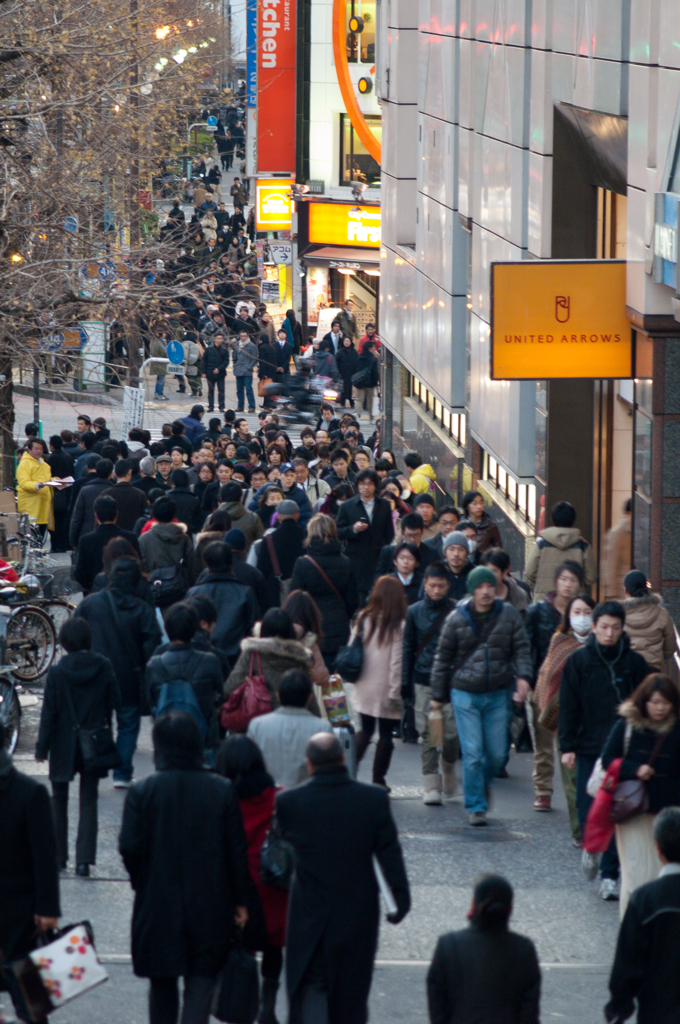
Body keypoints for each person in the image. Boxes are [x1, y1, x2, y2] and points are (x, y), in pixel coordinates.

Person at [119, 712, 250, 1024]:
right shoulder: (221, 790)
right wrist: (241, 900)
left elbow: (129, 847)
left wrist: (142, 879)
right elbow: (236, 852)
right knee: (201, 981)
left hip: (158, 899)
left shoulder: (143, 792)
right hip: (210, 901)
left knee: (161, 983)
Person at [276, 732, 410, 1024]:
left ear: (309, 764)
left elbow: (278, 856)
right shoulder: (372, 799)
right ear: (342, 759)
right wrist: (400, 900)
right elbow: (390, 854)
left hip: (309, 914)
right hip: (357, 915)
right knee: (351, 997)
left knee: (311, 987)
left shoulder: (289, 802)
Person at [559, 600, 650, 900]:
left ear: (623, 628)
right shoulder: (578, 661)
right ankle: (591, 845)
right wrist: (567, 745)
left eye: (615, 627)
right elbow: (568, 706)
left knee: (616, 811)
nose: (609, 633)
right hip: (588, 747)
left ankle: (610, 875)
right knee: (589, 810)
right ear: (595, 627)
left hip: (623, 750)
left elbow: (644, 706)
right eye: (604, 627)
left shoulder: (634, 663)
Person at [430, 566, 532, 826]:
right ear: (472, 590)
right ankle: (476, 805)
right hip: (465, 692)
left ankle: (480, 783)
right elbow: (442, 659)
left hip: (498, 692)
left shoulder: (508, 615)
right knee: (473, 753)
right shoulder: (456, 618)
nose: (486, 591)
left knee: (497, 755)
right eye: (480, 587)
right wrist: (438, 696)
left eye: (489, 586)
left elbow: (521, 647)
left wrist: (523, 677)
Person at [35, 618, 120, 876]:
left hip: (63, 743)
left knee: (58, 799)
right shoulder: (103, 666)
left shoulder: (58, 672)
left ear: (64, 642)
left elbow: (49, 713)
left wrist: (41, 748)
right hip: (92, 741)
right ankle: (84, 860)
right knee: (89, 799)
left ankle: (59, 856)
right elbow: (113, 701)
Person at [216, 736, 289, 1024]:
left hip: (236, 884)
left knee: (239, 946)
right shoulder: (276, 795)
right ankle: (267, 1008)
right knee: (274, 946)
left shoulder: (222, 796)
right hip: (271, 882)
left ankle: (239, 1003)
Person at [75, 558, 161, 788]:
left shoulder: (91, 604)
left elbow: (73, 632)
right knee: (129, 724)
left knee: (100, 722)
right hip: (129, 677)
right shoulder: (142, 610)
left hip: (95, 675)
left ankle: (96, 765)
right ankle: (122, 773)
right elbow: (152, 646)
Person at [600, 673, 680, 915]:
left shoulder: (677, 727)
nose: (660, 708)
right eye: (655, 702)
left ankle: (659, 927)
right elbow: (607, 759)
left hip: (669, 813)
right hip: (633, 810)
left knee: (662, 874)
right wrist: (635, 769)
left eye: (665, 703)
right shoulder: (627, 725)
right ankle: (631, 926)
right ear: (644, 701)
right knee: (635, 873)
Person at [0, 720, 61, 1024]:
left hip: (21, 918)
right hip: (21, 915)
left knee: (31, 1005)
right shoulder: (29, 792)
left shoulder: (29, 793)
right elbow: (46, 857)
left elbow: (45, 857)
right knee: (31, 1005)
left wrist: (47, 908)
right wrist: (48, 909)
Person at [427, 874, 540, 1024]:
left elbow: (438, 1008)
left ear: (473, 905)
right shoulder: (523, 949)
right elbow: (529, 1015)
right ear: (510, 909)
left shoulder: (448, 945)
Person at [606, 806, 680, 1024]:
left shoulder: (645, 899)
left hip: (657, 1010)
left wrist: (619, 1005)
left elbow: (628, 961)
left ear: (658, 848)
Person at [532, 593, 595, 839]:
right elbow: (549, 680)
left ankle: (596, 828)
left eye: (587, 612)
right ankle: (580, 831)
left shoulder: (603, 644)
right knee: (572, 782)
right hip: (568, 722)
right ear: (568, 616)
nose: (581, 618)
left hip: (598, 723)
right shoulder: (560, 642)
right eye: (576, 612)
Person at [402, 562, 458, 805]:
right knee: (427, 732)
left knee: (451, 733)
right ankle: (431, 785)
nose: (436, 590)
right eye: (432, 586)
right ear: (425, 585)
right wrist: (405, 681)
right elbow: (407, 647)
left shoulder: (457, 611)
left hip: (452, 681)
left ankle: (447, 765)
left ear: (448, 586)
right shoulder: (414, 612)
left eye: (441, 586)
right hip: (422, 679)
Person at [146, 603, 224, 759]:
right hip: (203, 740)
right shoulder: (210, 660)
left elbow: (151, 703)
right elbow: (219, 697)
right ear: (194, 628)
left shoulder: (154, 664)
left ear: (167, 629)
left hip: (166, 741)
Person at [351, 576, 406, 789]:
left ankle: (349, 770)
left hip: (364, 684)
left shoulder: (364, 617)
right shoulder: (398, 624)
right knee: (385, 734)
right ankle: (378, 779)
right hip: (386, 688)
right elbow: (396, 661)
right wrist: (395, 692)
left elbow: (352, 646)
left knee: (364, 730)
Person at [289, 513, 358, 671]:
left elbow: (294, 597)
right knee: (337, 680)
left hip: (312, 628)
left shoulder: (303, 563)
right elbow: (353, 600)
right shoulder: (345, 562)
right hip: (339, 627)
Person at [247, 669, 332, 788]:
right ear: (309, 697)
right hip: (306, 797)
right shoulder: (322, 728)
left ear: (278, 696)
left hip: (268, 797)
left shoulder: (257, 725)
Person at [225, 608, 315, 710]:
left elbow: (231, 686)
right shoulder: (300, 658)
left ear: (263, 630)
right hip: (295, 717)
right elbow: (310, 697)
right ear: (290, 630)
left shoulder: (253, 653)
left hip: (258, 714)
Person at [187, 541, 256, 668]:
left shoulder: (193, 593)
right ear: (230, 562)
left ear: (207, 563)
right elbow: (251, 628)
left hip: (200, 661)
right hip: (236, 662)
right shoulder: (245, 592)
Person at [337, 468, 394, 605]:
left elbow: (389, 532)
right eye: (362, 483)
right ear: (357, 485)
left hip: (379, 558)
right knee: (360, 601)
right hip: (357, 560)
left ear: (375, 485)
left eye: (370, 483)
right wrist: (353, 529)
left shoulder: (384, 505)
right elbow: (338, 531)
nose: (366, 487)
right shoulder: (347, 506)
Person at [524, 500, 597, 601]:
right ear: (573, 520)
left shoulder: (541, 543)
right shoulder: (583, 545)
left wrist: (542, 580)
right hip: (573, 602)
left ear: (553, 519)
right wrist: (575, 583)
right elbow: (591, 577)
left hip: (544, 600)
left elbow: (529, 572)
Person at [73, 494, 141, 594]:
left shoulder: (86, 540)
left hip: (95, 595)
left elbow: (80, 574)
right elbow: (139, 567)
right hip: (127, 593)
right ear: (116, 515)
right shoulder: (131, 537)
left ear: (96, 516)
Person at [622, 569, 678, 672]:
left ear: (625, 590)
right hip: (652, 670)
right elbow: (670, 648)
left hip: (625, 670)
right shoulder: (661, 613)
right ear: (646, 588)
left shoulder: (619, 614)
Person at [256, 500, 306, 608]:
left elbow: (261, 569)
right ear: (297, 515)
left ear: (278, 516)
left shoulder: (268, 539)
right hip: (303, 593)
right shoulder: (306, 536)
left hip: (276, 594)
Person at [138, 495, 193, 582]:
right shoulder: (184, 538)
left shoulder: (144, 539)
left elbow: (142, 566)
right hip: (179, 587)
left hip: (154, 586)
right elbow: (191, 565)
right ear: (173, 514)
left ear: (154, 513)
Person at [69, 458, 115, 548]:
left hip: (87, 535)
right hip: (112, 539)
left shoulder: (85, 490)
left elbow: (77, 517)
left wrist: (73, 539)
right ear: (111, 473)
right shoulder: (114, 490)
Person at [16, 437, 52, 535]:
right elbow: (24, 483)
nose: (39, 451)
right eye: (36, 449)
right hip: (31, 505)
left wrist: (56, 480)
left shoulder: (42, 462)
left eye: (41, 449)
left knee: (41, 532)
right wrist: (37, 485)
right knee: (31, 534)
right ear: (29, 449)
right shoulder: (25, 464)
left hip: (42, 504)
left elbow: (46, 479)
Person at [46, 434, 74, 552]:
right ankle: (63, 545)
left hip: (55, 492)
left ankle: (55, 545)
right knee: (64, 520)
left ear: (52, 446)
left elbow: (48, 475)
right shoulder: (68, 457)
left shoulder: (51, 459)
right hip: (67, 491)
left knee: (54, 520)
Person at [218, 480, 264, 552]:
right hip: (247, 560)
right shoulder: (253, 517)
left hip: (219, 561)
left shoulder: (212, 518)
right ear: (240, 498)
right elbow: (261, 544)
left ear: (221, 498)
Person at [103, 458, 148, 531]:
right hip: (133, 536)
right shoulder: (140, 494)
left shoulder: (106, 493)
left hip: (112, 536)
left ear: (114, 473)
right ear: (130, 472)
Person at [480, 548, 530, 613]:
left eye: (494, 571)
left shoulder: (520, 596)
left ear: (505, 572)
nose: (489, 576)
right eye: (486, 571)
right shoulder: (475, 597)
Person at [603, 499, 632, 599]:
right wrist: (611, 593)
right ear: (629, 513)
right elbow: (610, 564)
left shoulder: (640, 529)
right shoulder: (617, 533)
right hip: (621, 589)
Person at [202, 332, 230, 411]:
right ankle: (211, 406)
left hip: (220, 373)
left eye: (221, 338)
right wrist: (203, 372)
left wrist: (219, 369)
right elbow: (204, 361)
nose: (220, 340)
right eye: (218, 338)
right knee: (210, 391)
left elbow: (226, 362)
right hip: (210, 373)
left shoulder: (225, 350)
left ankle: (221, 406)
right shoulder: (208, 350)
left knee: (221, 390)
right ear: (214, 339)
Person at [232, 328, 258, 413]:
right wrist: (235, 364)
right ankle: (240, 406)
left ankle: (252, 406)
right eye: (242, 336)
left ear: (247, 336)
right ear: (239, 336)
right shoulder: (236, 344)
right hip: (238, 369)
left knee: (248, 389)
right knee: (239, 390)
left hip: (247, 371)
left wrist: (249, 366)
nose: (243, 338)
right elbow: (234, 356)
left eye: (245, 336)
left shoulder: (252, 346)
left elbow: (254, 358)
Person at [352, 338, 379, 420]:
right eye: (372, 347)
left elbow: (355, 369)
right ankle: (371, 417)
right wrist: (375, 383)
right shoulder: (373, 359)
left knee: (359, 400)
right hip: (370, 383)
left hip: (360, 382)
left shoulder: (359, 357)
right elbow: (375, 372)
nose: (374, 349)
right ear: (369, 348)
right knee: (370, 400)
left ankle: (357, 414)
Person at [169, 468, 202, 534]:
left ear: (173, 482)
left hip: (170, 534)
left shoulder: (167, 498)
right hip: (188, 535)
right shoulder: (194, 499)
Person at [441, 531, 472, 600]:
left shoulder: (474, 574)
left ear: (467, 553)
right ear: (445, 552)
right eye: (451, 549)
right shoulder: (438, 572)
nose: (456, 554)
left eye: (461, 549)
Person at [390, 541, 423, 605]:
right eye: (402, 558)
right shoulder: (388, 581)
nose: (405, 562)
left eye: (410, 558)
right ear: (395, 561)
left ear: (417, 563)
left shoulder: (423, 582)